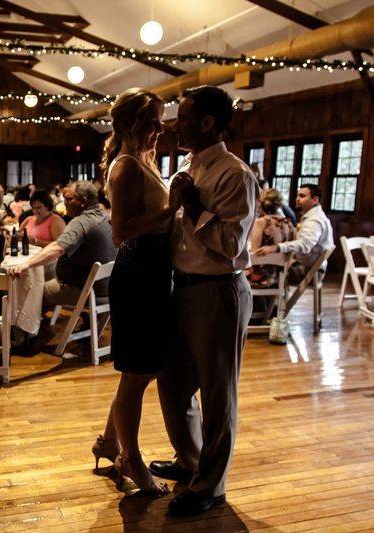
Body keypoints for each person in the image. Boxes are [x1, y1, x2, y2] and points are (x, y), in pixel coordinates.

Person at [150, 85, 258, 517]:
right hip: (185, 288)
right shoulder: (191, 167)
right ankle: (191, 460)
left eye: (185, 116)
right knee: (173, 382)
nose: (177, 124)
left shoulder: (235, 175)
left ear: (209, 123)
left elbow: (231, 245)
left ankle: (211, 486)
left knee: (218, 394)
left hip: (219, 291)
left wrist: (192, 207)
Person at [91, 88, 173, 495]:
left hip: (155, 270)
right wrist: (171, 209)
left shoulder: (146, 160)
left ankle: (109, 443)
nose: (161, 128)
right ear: (128, 124)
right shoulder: (125, 167)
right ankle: (133, 461)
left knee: (141, 370)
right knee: (138, 373)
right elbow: (120, 231)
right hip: (138, 270)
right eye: (153, 121)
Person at [7, 181, 116, 308]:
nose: (64, 203)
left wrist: (25, 264)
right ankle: (44, 324)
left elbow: (57, 247)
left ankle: (29, 328)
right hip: (107, 291)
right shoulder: (105, 216)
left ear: (83, 201)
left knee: (31, 293)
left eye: (69, 199)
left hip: (84, 292)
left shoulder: (82, 222)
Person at [253, 183, 334, 284]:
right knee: (272, 265)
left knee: (267, 271)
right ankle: (273, 298)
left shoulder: (314, 221)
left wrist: (276, 247)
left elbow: (305, 245)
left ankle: (268, 297)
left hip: (308, 272)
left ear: (315, 200)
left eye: (302, 196)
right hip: (308, 268)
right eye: (297, 195)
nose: (297, 199)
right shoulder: (314, 217)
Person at [246, 188, 296, 289]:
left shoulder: (260, 222)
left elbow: (254, 254)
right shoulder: (289, 224)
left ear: (260, 202)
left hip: (261, 278)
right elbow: (291, 252)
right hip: (280, 277)